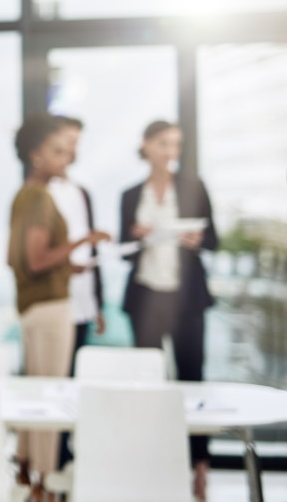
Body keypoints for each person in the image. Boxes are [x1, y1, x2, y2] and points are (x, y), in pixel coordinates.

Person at [8, 113, 109, 501]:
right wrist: (80, 242)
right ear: (36, 155)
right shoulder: (39, 196)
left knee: (36, 393)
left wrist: (67, 262)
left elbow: (14, 257)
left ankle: (26, 472)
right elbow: (36, 260)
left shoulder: (23, 195)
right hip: (51, 308)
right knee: (50, 399)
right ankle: (45, 484)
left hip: (34, 307)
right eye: (57, 151)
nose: (66, 159)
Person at [120, 120, 218, 502]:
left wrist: (197, 238)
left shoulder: (193, 187)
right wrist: (136, 236)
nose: (170, 151)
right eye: (163, 143)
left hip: (186, 298)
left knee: (193, 380)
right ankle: (152, 462)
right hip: (146, 298)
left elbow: (214, 239)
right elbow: (125, 242)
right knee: (148, 382)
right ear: (146, 145)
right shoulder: (131, 194)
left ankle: (199, 470)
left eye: (175, 144)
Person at [48, 115, 105, 469]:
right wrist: (67, 266)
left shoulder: (81, 191)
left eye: (77, 140)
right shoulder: (41, 193)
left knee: (72, 385)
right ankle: (50, 464)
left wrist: (97, 303)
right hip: (55, 302)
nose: (74, 147)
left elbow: (92, 250)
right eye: (68, 139)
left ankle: (66, 459)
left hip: (83, 301)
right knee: (53, 386)